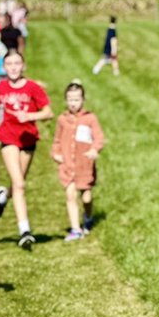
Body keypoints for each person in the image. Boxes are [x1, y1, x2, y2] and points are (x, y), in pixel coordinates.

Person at [0, 50, 53, 248]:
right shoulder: (0, 88)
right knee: (19, 184)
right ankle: (24, 230)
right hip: (8, 138)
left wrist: (30, 117)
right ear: (4, 67)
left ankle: (2, 196)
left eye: (17, 63)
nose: (14, 67)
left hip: (28, 139)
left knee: (19, 184)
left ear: (23, 66)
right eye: (9, 64)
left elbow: (48, 112)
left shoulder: (33, 87)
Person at [51, 81, 104, 240]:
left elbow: (99, 137)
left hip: (84, 165)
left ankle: (88, 217)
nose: (73, 103)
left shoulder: (90, 118)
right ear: (66, 100)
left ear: (83, 100)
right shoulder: (62, 119)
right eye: (70, 100)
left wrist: (94, 149)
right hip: (67, 165)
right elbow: (57, 140)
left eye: (76, 100)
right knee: (70, 195)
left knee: (86, 196)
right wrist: (56, 153)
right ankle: (75, 229)